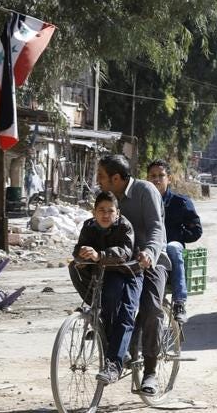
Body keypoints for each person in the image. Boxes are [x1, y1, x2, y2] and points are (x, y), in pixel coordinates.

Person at [69, 155, 166, 396]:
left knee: (150, 308)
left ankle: (151, 371)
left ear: (115, 178)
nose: (98, 181)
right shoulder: (107, 201)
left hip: (147, 261)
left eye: (101, 176)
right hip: (115, 263)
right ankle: (113, 341)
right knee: (107, 296)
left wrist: (150, 253)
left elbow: (156, 227)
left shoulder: (145, 190)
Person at [71, 191, 141, 384]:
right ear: (94, 212)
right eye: (101, 210)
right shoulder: (89, 226)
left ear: (117, 213)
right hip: (105, 273)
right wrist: (81, 256)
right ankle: (116, 346)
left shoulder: (125, 226)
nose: (105, 214)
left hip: (129, 272)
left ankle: (114, 365)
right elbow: (79, 248)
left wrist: (100, 255)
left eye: (110, 211)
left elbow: (125, 253)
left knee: (125, 313)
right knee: (75, 267)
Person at [146, 159, 202, 323]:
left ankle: (179, 302)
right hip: (150, 250)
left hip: (171, 249)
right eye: (152, 176)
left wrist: (178, 235)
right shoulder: (143, 201)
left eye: (161, 175)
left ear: (168, 178)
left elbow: (196, 231)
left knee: (172, 247)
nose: (156, 179)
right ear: (147, 178)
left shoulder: (181, 202)